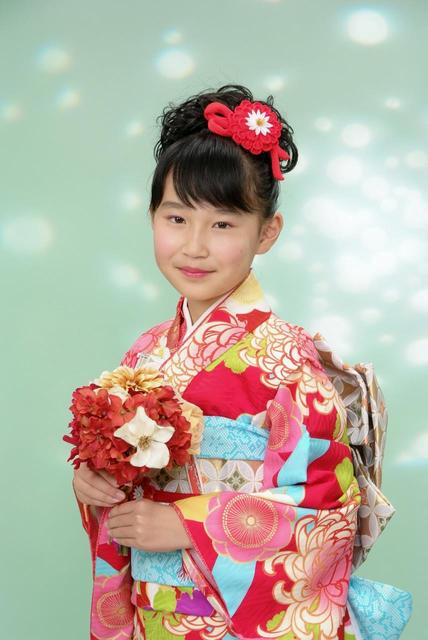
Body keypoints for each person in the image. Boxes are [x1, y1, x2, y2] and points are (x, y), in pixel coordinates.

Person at [71, 84, 410, 640]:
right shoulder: (145, 352)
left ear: (267, 232)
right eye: (176, 218)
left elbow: (326, 508)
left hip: (238, 621)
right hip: (156, 611)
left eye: (223, 224)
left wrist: (188, 522)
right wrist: (97, 485)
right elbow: (126, 487)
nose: (195, 245)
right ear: (152, 216)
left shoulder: (287, 359)